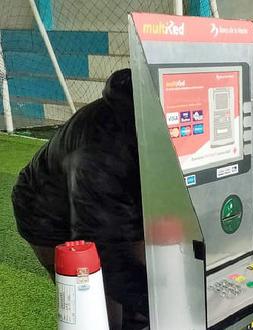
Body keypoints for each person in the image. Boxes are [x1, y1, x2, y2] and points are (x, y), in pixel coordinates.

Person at [11, 69, 149, 330]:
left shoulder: (156, 116)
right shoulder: (101, 151)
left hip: (111, 202)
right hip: (46, 214)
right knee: (95, 304)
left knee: (140, 298)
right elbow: (105, 251)